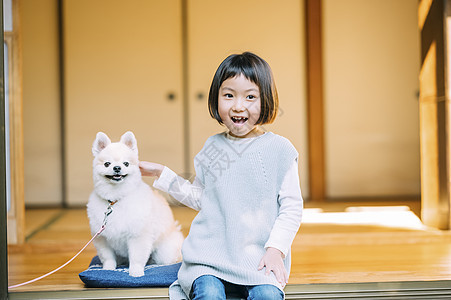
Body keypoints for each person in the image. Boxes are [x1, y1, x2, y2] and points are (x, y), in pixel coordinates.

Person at [139, 52, 303, 300]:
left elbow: (291, 207)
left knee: (267, 296)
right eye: (228, 95)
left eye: (250, 97)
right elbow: (201, 198)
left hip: (259, 258)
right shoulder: (213, 148)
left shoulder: (280, 150)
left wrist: (275, 250)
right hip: (209, 258)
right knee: (209, 293)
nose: (238, 106)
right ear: (216, 99)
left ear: (266, 100)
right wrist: (163, 174)